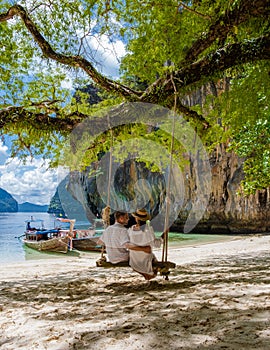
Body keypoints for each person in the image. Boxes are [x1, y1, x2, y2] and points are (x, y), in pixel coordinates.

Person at [128, 209, 163, 280]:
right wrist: (163, 237)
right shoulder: (148, 230)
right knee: (153, 274)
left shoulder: (130, 230)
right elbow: (156, 244)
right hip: (146, 260)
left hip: (134, 261)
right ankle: (147, 273)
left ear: (136, 219)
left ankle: (145, 273)